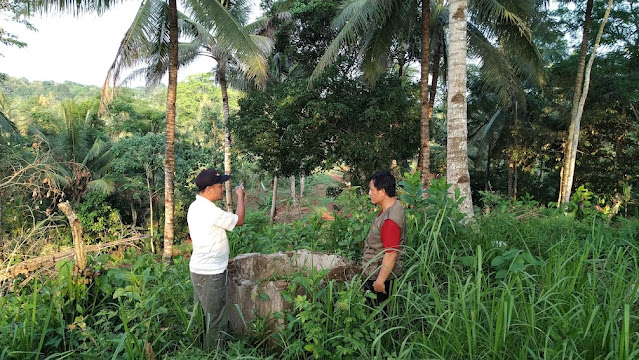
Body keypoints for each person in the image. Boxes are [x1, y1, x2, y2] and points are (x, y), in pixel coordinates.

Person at [187, 168, 245, 350]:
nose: (222, 189)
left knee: (202, 313)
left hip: (198, 268)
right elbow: (240, 220)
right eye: (220, 186)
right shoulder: (210, 211)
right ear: (210, 189)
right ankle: (214, 353)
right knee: (216, 318)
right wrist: (241, 197)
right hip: (212, 272)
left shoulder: (195, 206)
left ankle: (198, 347)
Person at [361, 170, 406, 307]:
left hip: (380, 277)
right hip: (379, 272)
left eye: (372, 189)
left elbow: (391, 253)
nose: (370, 193)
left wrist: (380, 282)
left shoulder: (390, 220)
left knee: (377, 316)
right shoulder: (394, 207)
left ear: (382, 191)